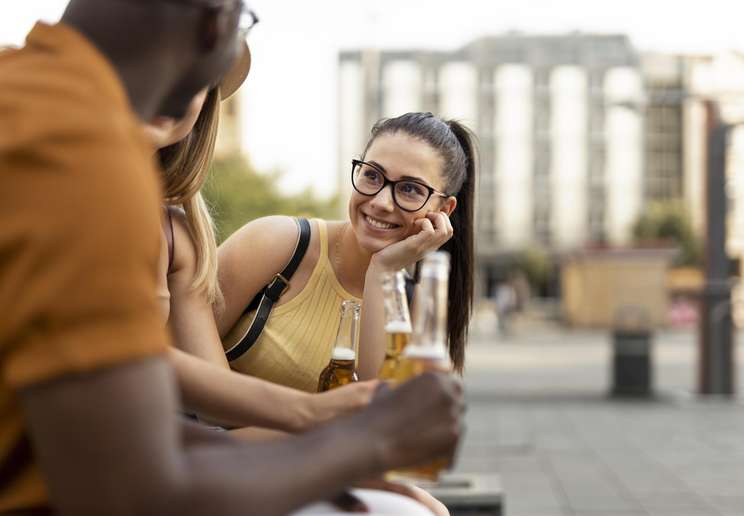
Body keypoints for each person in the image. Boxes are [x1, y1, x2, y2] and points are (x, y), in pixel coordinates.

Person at [0, 1, 463, 514]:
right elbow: (135, 485)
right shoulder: (88, 159)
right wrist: (358, 445)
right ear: (215, 21)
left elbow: (135, 385)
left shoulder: (27, 93)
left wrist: (316, 419)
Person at [145, 47, 377, 433]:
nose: (175, 94)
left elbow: (217, 403)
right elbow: (118, 360)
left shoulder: (179, 233)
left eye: (196, 83)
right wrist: (316, 418)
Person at [217, 112, 477, 391]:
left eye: (410, 189)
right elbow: (181, 363)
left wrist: (383, 269)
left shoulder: (413, 309)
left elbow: (375, 416)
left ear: (443, 210)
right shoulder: (277, 244)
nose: (381, 202)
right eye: (372, 175)